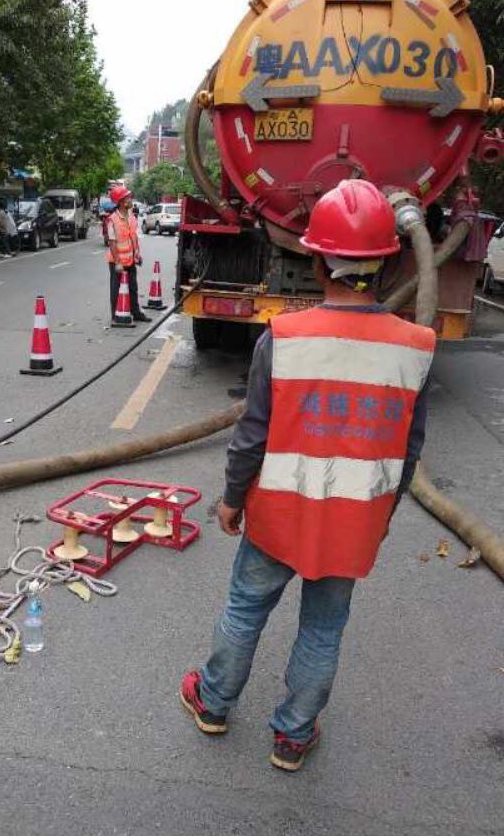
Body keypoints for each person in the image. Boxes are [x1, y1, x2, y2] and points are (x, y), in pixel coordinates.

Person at [180, 180, 436, 771]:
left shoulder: (285, 338)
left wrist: (230, 499)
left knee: (245, 609)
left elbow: (253, 434)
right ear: (389, 260)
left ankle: (214, 703)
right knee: (323, 630)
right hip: (353, 522)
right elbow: (410, 449)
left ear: (316, 259)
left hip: (278, 514)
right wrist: (384, 516)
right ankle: (293, 735)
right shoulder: (417, 346)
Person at [105, 184, 151, 325]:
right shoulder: (112, 219)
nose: (130, 199)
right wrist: (118, 261)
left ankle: (135, 312)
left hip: (130, 260)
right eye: (127, 197)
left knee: (133, 287)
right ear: (120, 202)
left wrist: (137, 254)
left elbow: (133, 237)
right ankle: (115, 315)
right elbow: (112, 242)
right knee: (116, 289)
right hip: (117, 262)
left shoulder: (131, 217)